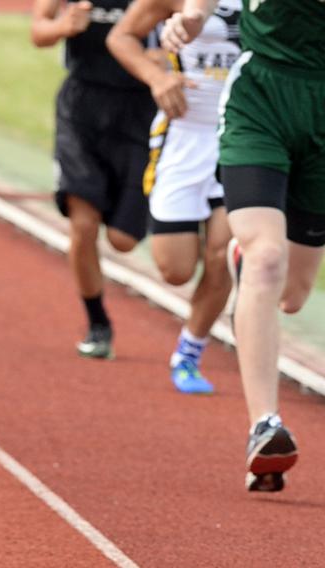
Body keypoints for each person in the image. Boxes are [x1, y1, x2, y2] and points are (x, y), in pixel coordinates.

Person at [159, 0, 325, 490]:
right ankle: (265, 424)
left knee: (291, 295)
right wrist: (192, 16)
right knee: (267, 259)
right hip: (259, 95)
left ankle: (248, 257)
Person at [107, 0, 240, 394]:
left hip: (244, 138)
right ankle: (200, 245)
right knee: (176, 269)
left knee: (224, 255)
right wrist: (155, 76)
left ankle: (189, 351)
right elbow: (122, 35)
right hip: (183, 137)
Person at [31, 0, 157, 359]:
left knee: (123, 240)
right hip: (81, 110)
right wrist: (63, 27)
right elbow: (38, 31)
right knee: (83, 225)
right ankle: (98, 324)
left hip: (139, 111)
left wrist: (167, 56)